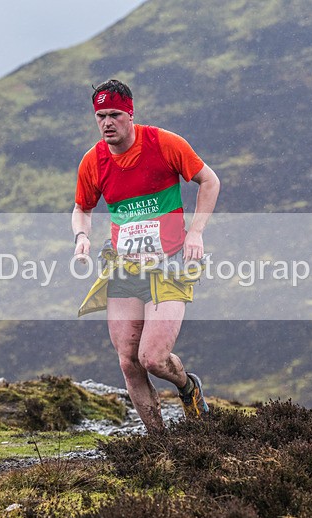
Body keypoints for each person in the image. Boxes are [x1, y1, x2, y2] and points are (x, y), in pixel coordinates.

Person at [71, 79, 221, 432]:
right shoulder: (94, 161)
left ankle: (187, 386)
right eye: (101, 116)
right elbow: (81, 208)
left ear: (130, 114)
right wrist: (81, 237)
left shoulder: (164, 144)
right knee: (129, 363)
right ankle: (161, 444)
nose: (107, 122)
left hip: (167, 264)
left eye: (115, 115)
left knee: (152, 358)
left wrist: (196, 232)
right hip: (122, 268)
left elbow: (210, 181)